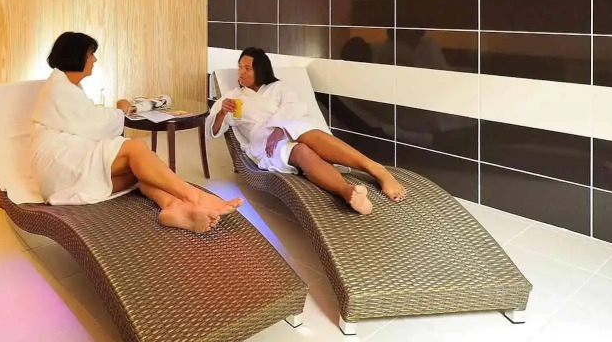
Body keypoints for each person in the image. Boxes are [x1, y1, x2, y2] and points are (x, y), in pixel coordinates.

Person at [31, 32, 242, 233]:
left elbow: (86, 118)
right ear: (77, 57)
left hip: (67, 169)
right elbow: (94, 125)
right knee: (136, 148)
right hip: (60, 166)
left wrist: (118, 111)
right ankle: (195, 197)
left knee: (143, 170)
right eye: (91, 54)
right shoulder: (60, 89)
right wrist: (121, 110)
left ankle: (173, 206)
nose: (94, 60)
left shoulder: (65, 86)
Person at [208, 47, 406, 215]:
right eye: (240, 67)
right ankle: (347, 192)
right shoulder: (232, 98)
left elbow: (294, 107)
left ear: (260, 70)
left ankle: (377, 170)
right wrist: (222, 113)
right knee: (302, 151)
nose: (241, 72)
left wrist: (280, 128)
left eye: (247, 68)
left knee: (308, 133)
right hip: (265, 145)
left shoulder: (278, 87)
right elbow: (213, 131)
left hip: (289, 130)